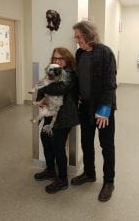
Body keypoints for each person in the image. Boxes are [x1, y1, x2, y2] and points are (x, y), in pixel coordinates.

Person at [71, 21, 117, 202]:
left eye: (79, 37)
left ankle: (109, 182)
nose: (77, 41)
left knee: (107, 146)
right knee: (86, 142)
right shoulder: (80, 53)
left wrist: (104, 109)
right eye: (76, 37)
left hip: (103, 110)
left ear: (89, 35)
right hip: (85, 108)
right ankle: (89, 173)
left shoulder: (105, 52)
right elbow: (78, 79)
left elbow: (110, 83)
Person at [34, 47, 79, 194]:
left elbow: (60, 89)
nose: (57, 61)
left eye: (60, 59)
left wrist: (47, 87)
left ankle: (62, 180)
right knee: (45, 138)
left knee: (58, 146)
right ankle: (50, 170)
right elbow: (41, 88)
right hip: (50, 114)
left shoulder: (71, 74)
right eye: (55, 59)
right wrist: (40, 99)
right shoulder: (51, 72)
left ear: (67, 60)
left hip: (64, 116)